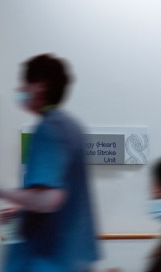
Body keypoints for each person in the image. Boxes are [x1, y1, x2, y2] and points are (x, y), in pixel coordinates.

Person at [0, 54, 99, 271]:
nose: (20, 90)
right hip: (72, 257)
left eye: (24, 85)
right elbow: (62, 195)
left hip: (46, 260)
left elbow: (47, 199)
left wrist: (3, 192)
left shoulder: (47, 130)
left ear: (39, 88)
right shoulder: (73, 128)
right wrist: (21, 209)